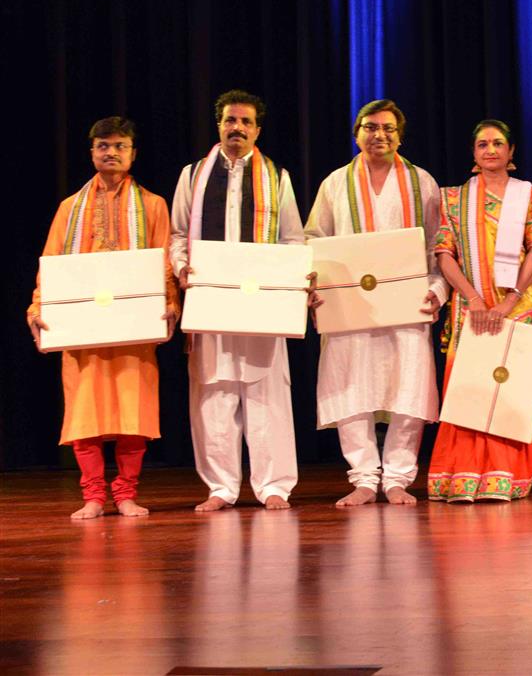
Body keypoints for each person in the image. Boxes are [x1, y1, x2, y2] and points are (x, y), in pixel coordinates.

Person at [29, 117, 178, 519]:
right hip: (84, 328)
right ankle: (93, 496)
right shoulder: (70, 208)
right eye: (103, 146)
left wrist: (170, 303)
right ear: (92, 152)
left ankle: (126, 493)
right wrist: (38, 306)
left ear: (132, 153)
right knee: (85, 415)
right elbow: (52, 262)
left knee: (134, 413)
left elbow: (165, 263)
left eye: (120, 146)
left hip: (134, 327)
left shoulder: (152, 205)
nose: (111, 152)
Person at [306, 99, 445, 507]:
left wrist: (437, 289)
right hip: (350, 304)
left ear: (400, 135)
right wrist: (316, 284)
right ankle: (364, 477)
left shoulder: (422, 183)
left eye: (387, 128)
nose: (378, 135)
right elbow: (314, 238)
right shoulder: (335, 184)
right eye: (370, 127)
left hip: (408, 301)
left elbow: (440, 245)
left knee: (409, 386)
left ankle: (399, 476)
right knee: (351, 385)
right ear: (357, 133)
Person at [170, 90, 304, 511]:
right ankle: (221, 487)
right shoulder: (194, 174)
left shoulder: (276, 176)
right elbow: (176, 235)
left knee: (267, 391)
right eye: (230, 120)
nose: (237, 128)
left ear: (257, 130)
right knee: (213, 391)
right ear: (219, 125)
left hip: (261, 303)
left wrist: (289, 282)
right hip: (209, 301)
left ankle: (274, 485)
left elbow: (293, 238)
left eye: (246, 122)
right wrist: (181, 267)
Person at [426, 119, 532, 502]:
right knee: (470, 391)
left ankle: (506, 475)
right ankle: (462, 473)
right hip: (471, 309)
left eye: (498, 143)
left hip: (518, 305)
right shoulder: (453, 198)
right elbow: (444, 255)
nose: (491, 150)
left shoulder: (527, 195)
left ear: (511, 153)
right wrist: (476, 300)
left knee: (508, 390)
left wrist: (509, 300)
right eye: (482, 144)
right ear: (474, 154)